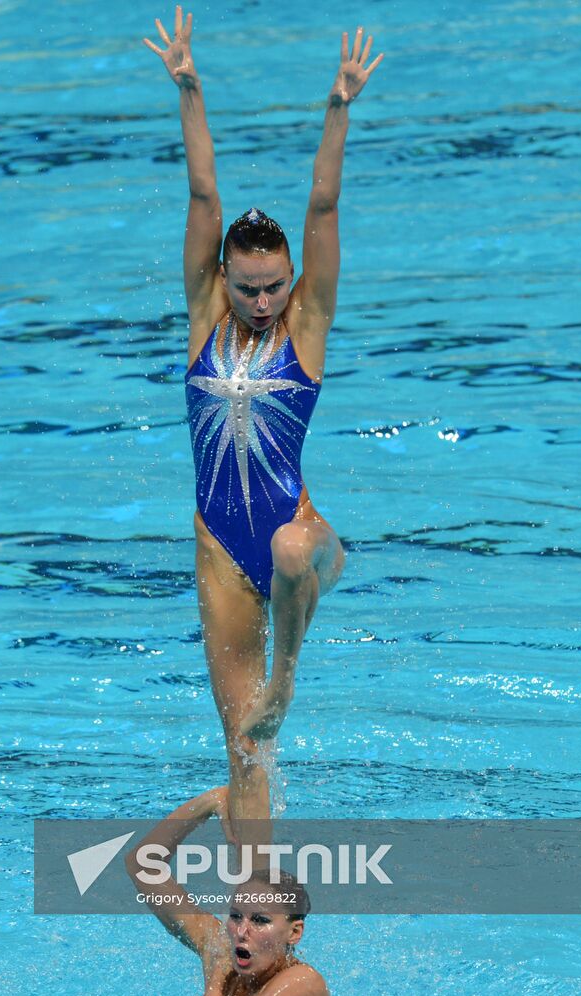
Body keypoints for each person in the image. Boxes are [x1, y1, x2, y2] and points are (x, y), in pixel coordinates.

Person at [143, 8, 384, 827]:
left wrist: (338, 105)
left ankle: (287, 676)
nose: (259, 300)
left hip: (300, 539)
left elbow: (323, 208)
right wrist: (188, 88)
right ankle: (254, 928)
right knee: (244, 749)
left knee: (286, 549)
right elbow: (202, 191)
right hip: (217, 546)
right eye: (246, 286)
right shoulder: (205, 315)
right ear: (224, 279)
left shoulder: (305, 329)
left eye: (272, 285)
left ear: (290, 280)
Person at [125, 786, 330, 996]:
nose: (241, 931)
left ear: (294, 932)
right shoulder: (225, 948)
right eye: (236, 916)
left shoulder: (303, 982)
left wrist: (215, 982)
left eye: (260, 920)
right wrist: (209, 803)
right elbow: (142, 866)